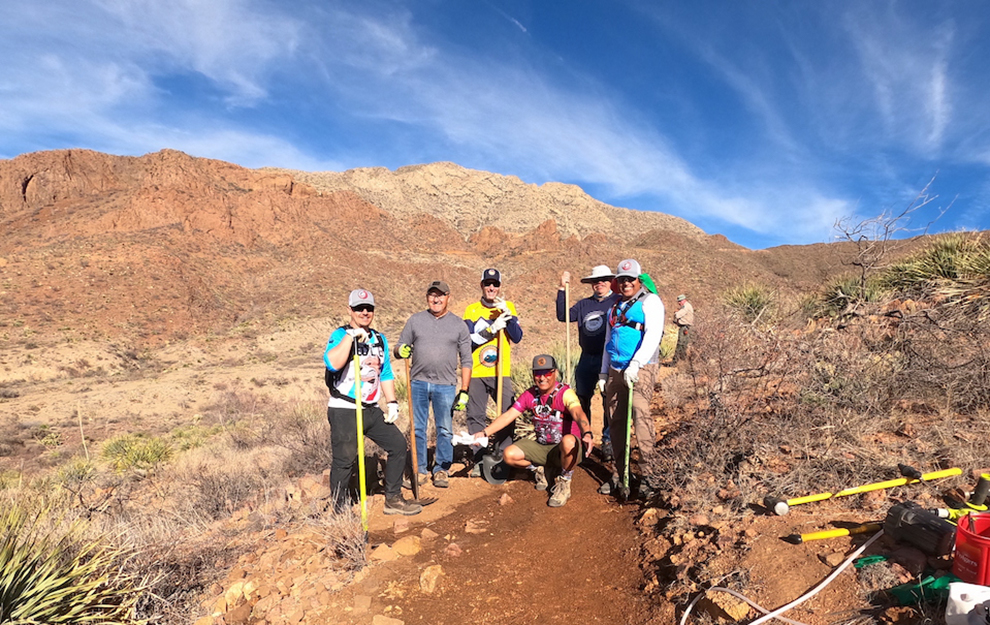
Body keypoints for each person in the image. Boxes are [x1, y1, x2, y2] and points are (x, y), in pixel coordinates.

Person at [323, 288, 421, 516]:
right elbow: (332, 364)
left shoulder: (380, 339)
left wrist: (393, 402)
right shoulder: (340, 335)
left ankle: (393, 499)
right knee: (344, 460)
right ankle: (339, 509)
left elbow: (384, 372)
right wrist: (351, 337)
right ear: (350, 310)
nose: (364, 312)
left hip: (371, 409)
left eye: (368, 309)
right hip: (345, 409)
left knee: (397, 445)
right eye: (359, 308)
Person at [474, 354, 593, 507]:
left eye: (547, 373)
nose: (542, 378)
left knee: (568, 441)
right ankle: (540, 470)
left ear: (555, 373)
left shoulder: (565, 393)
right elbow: (509, 415)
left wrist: (587, 432)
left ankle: (564, 482)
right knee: (509, 454)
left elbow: (577, 412)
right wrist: (484, 433)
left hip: (566, 450)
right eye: (537, 373)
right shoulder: (530, 395)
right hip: (542, 447)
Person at [597, 259, 665, 500]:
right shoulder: (613, 307)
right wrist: (604, 373)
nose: (626, 283)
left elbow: (653, 335)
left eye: (630, 279)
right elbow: (608, 341)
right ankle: (620, 473)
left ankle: (649, 475)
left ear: (639, 280)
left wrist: (636, 363)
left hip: (642, 368)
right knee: (615, 420)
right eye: (622, 280)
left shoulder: (651, 302)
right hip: (616, 368)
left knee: (639, 412)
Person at [394, 280, 472, 489]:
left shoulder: (458, 325)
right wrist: (400, 350)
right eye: (432, 295)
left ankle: (441, 469)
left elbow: (466, 360)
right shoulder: (415, 321)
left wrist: (464, 390)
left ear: (448, 297)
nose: (436, 299)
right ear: (427, 297)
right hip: (418, 383)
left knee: (444, 429)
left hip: (445, 385)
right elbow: (400, 345)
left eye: (440, 295)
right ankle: (419, 470)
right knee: (418, 428)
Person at [463, 268, 523, 475]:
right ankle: (479, 458)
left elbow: (517, 337)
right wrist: (491, 330)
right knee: (475, 416)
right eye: (487, 284)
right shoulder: (471, 310)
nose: (491, 288)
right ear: (481, 285)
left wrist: (508, 315)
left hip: (501, 371)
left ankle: (504, 454)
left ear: (499, 287)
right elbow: (467, 342)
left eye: (495, 284)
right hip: (477, 372)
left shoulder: (508, 307)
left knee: (507, 413)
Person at [557, 265, 619, 461]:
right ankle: (585, 437)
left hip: (608, 357)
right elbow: (563, 316)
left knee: (610, 399)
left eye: (603, 280)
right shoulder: (584, 304)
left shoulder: (617, 301)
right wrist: (561, 289)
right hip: (586, 357)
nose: (599, 283)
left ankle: (608, 441)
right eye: (595, 281)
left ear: (610, 282)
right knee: (582, 399)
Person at [672, 294, 694, 365]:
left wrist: (676, 312)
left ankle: (675, 362)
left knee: (681, 344)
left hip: (685, 327)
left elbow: (678, 315)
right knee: (683, 345)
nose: (679, 303)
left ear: (684, 300)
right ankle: (682, 361)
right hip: (685, 327)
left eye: (680, 301)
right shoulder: (687, 306)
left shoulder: (686, 307)